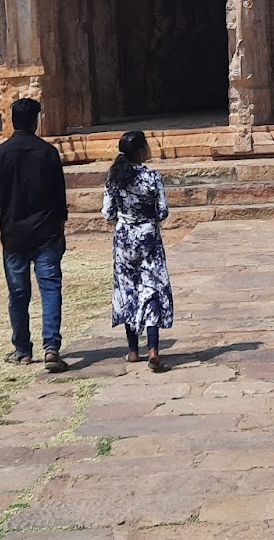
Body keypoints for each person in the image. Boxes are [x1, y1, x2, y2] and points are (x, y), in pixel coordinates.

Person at [0, 98, 69, 372]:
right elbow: (59, 196)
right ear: (35, 121)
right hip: (47, 233)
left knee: (18, 294)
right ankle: (51, 348)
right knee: (50, 289)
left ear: (12, 121)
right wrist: (61, 228)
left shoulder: (0, 154)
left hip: (14, 235)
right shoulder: (48, 153)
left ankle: (23, 350)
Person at [101, 130, 174, 372]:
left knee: (127, 289)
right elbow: (162, 211)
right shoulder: (152, 177)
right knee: (151, 287)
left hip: (124, 238)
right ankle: (153, 349)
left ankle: (133, 350)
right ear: (141, 151)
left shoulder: (114, 178)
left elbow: (107, 212)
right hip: (148, 236)